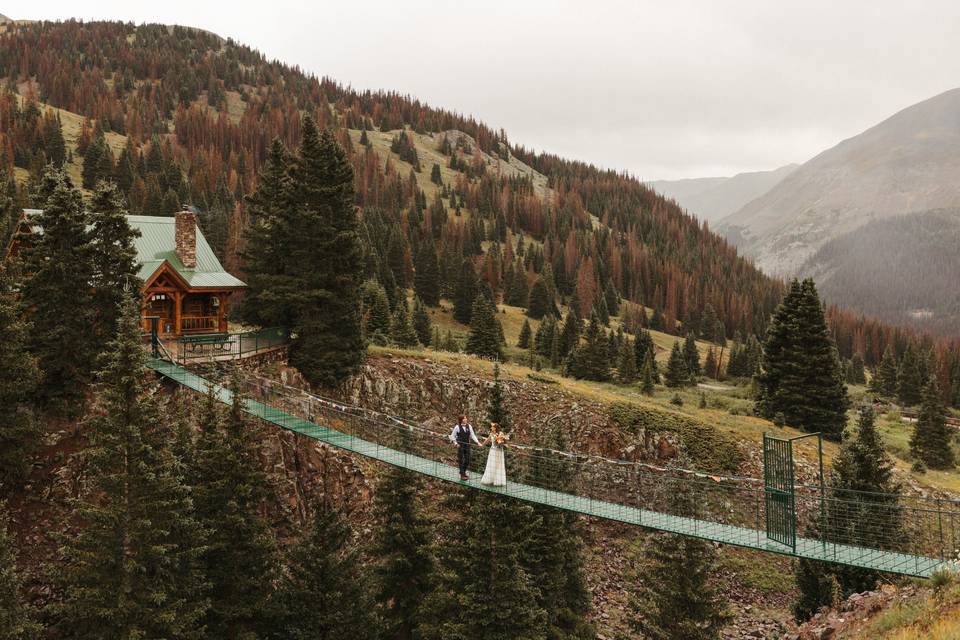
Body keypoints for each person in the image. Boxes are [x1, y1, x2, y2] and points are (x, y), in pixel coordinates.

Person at [449, 414, 480, 481]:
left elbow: (472, 435)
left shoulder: (469, 426)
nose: (466, 419)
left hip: (467, 445)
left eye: (466, 418)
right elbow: (452, 436)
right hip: (460, 445)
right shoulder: (457, 427)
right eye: (464, 418)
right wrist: (456, 443)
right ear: (461, 420)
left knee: (467, 459)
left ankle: (462, 471)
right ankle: (462, 475)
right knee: (461, 460)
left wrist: (478, 442)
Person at [480, 422, 507, 487]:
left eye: (492, 427)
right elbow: (487, 440)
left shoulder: (501, 433)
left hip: (499, 451)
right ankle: (490, 479)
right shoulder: (491, 434)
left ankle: (497, 480)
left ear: (495, 428)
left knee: (498, 464)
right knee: (492, 464)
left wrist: (501, 442)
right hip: (493, 451)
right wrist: (482, 445)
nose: (491, 428)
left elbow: (504, 441)